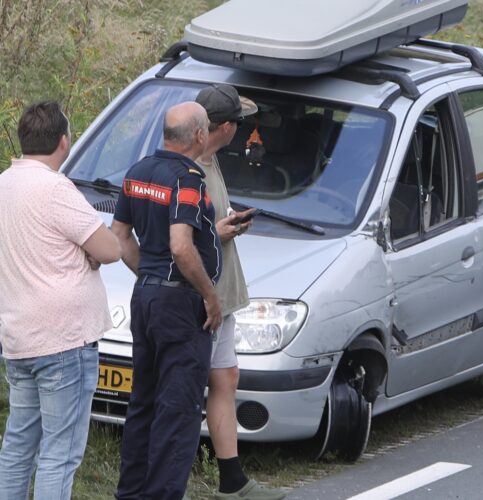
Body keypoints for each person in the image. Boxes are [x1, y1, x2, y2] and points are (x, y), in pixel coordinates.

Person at [0, 100, 121, 500]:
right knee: (60, 453)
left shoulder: (4, 184)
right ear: (64, 141)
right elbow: (110, 249)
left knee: (19, 445)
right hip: (63, 339)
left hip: (19, 335)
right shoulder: (55, 188)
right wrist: (85, 252)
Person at [112, 101, 223, 500]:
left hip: (146, 299)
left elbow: (120, 236)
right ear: (198, 136)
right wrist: (209, 296)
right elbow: (181, 245)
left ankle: (132, 493)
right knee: (177, 413)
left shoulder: (138, 171)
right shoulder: (188, 178)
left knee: (143, 403)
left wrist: (151, 276)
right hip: (180, 306)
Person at [195, 84, 285, 500]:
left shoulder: (211, 160)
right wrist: (221, 230)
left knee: (225, 377)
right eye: (240, 124)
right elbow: (179, 238)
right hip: (204, 296)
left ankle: (232, 479)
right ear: (226, 127)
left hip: (223, 293)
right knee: (192, 385)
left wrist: (227, 220)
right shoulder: (190, 166)